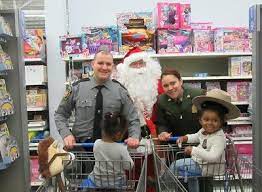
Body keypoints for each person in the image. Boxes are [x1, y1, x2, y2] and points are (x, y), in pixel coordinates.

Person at [54, 50, 140, 149]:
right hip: (81, 148)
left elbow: (133, 118)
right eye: (100, 63)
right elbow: (60, 114)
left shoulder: (121, 91)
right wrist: (66, 134)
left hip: (110, 150)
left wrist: (134, 136)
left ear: (113, 67)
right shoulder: (77, 88)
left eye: (108, 64)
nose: (104, 67)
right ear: (92, 64)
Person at [171, 89, 240, 192]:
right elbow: (196, 136)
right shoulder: (204, 130)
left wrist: (193, 150)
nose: (210, 123)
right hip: (200, 163)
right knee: (190, 175)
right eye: (206, 119)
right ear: (200, 120)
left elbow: (213, 157)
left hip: (208, 167)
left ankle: (164, 182)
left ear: (222, 122)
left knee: (174, 166)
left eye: (215, 120)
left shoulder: (219, 138)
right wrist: (186, 138)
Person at [116, 47, 161, 137]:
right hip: (129, 134)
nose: (138, 67)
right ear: (126, 69)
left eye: (141, 63)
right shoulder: (120, 89)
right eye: (134, 64)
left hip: (157, 134)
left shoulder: (158, 85)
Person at [84, 112, 134, 189]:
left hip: (97, 181)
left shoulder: (97, 143)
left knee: (89, 178)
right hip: (116, 183)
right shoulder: (121, 148)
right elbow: (129, 165)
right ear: (118, 134)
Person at [155, 68, 206, 141]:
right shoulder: (161, 101)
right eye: (165, 86)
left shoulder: (199, 95)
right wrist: (163, 132)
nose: (170, 88)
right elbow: (161, 123)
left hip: (200, 143)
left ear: (181, 81)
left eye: (173, 83)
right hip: (175, 145)